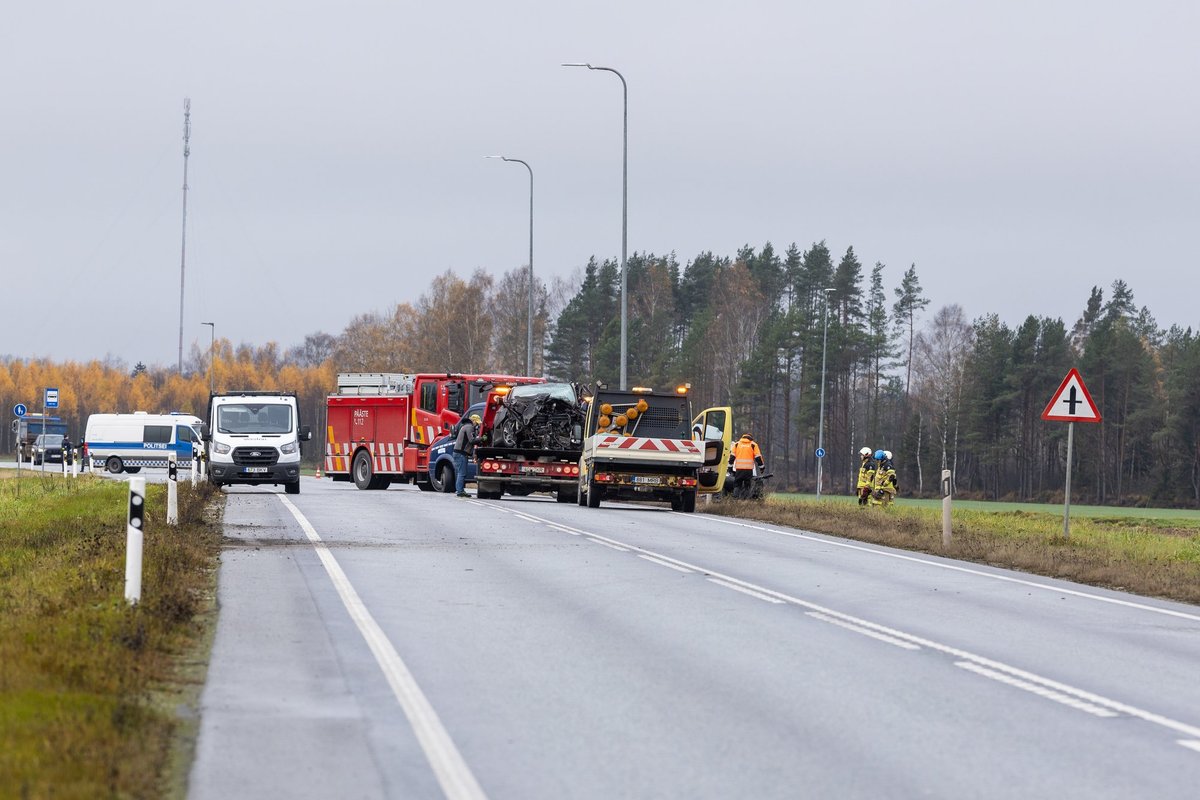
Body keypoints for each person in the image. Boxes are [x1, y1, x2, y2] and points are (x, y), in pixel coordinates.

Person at [729, 433, 764, 499]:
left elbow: (731, 458)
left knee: (737, 485)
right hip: (748, 470)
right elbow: (758, 458)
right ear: (750, 438)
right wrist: (762, 468)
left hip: (739, 470)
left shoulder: (737, 444)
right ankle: (745, 501)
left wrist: (730, 468)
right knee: (747, 485)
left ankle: (735, 500)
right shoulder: (753, 445)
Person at [453, 413, 481, 497]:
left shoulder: (465, 426)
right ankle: (460, 491)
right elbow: (472, 440)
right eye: (477, 423)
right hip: (460, 453)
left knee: (461, 473)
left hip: (459, 453)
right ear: (473, 421)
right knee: (462, 473)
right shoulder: (469, 427)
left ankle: (460, 490)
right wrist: (481, 438)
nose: (477, 425)